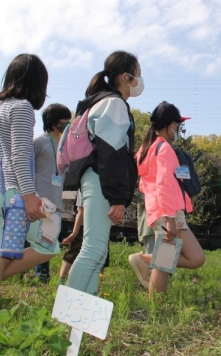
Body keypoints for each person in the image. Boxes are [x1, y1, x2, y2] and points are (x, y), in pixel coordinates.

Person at [0, 54, 56, 304]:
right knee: (48, 245)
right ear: (39, 83)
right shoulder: (23, 108)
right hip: (10, 195)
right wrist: (29, 196)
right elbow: (18, 156)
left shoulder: (0, 109)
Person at [65, 50, 139, 296]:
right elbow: (112, 152)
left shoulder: (101, 100)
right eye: (138, 74)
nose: (140, 80)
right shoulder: (114, 104)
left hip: (96, 178)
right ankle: (68, 317)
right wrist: (117, 197)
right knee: (94, 249)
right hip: (101, 179)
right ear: (125, 77)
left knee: (96, 250)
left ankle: (83, 314)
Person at [132, 101, 205, 295]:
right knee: (170, 260)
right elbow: (165, 185)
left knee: (181, 258)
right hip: (168, 213)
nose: (178, 129)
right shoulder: (164, 149)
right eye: (177, 125)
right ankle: (156, 303)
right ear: (170, 125)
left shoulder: (146, 149)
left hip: (161, 212)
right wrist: (171, 219)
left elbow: (144, 185)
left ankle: (146, 262)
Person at [32, 103, 72, 284]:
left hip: (56, 202)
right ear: (54, 121)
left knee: (47, 240)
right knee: (36, 240)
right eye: (65, 119)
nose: (68, 123)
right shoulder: (39, 143)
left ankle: (40, 277)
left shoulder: (66, 146)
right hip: (39, 201)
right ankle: (40, 278)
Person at [58, 191, 109, 285]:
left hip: (100, 226)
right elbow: (81, 210)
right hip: (86, 226)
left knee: (102, 255)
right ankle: (61, 279)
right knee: (73, 252)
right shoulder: (85, 187)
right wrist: (75, 232)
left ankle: (98, 283)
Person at [130, 188, 155, 289]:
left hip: (169, 224)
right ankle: (148, 290)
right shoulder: (145, 173)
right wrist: (151, 200)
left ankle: (157, 292)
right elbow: (132, 189)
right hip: (152, 224)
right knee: (152, 262)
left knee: (167, 260)